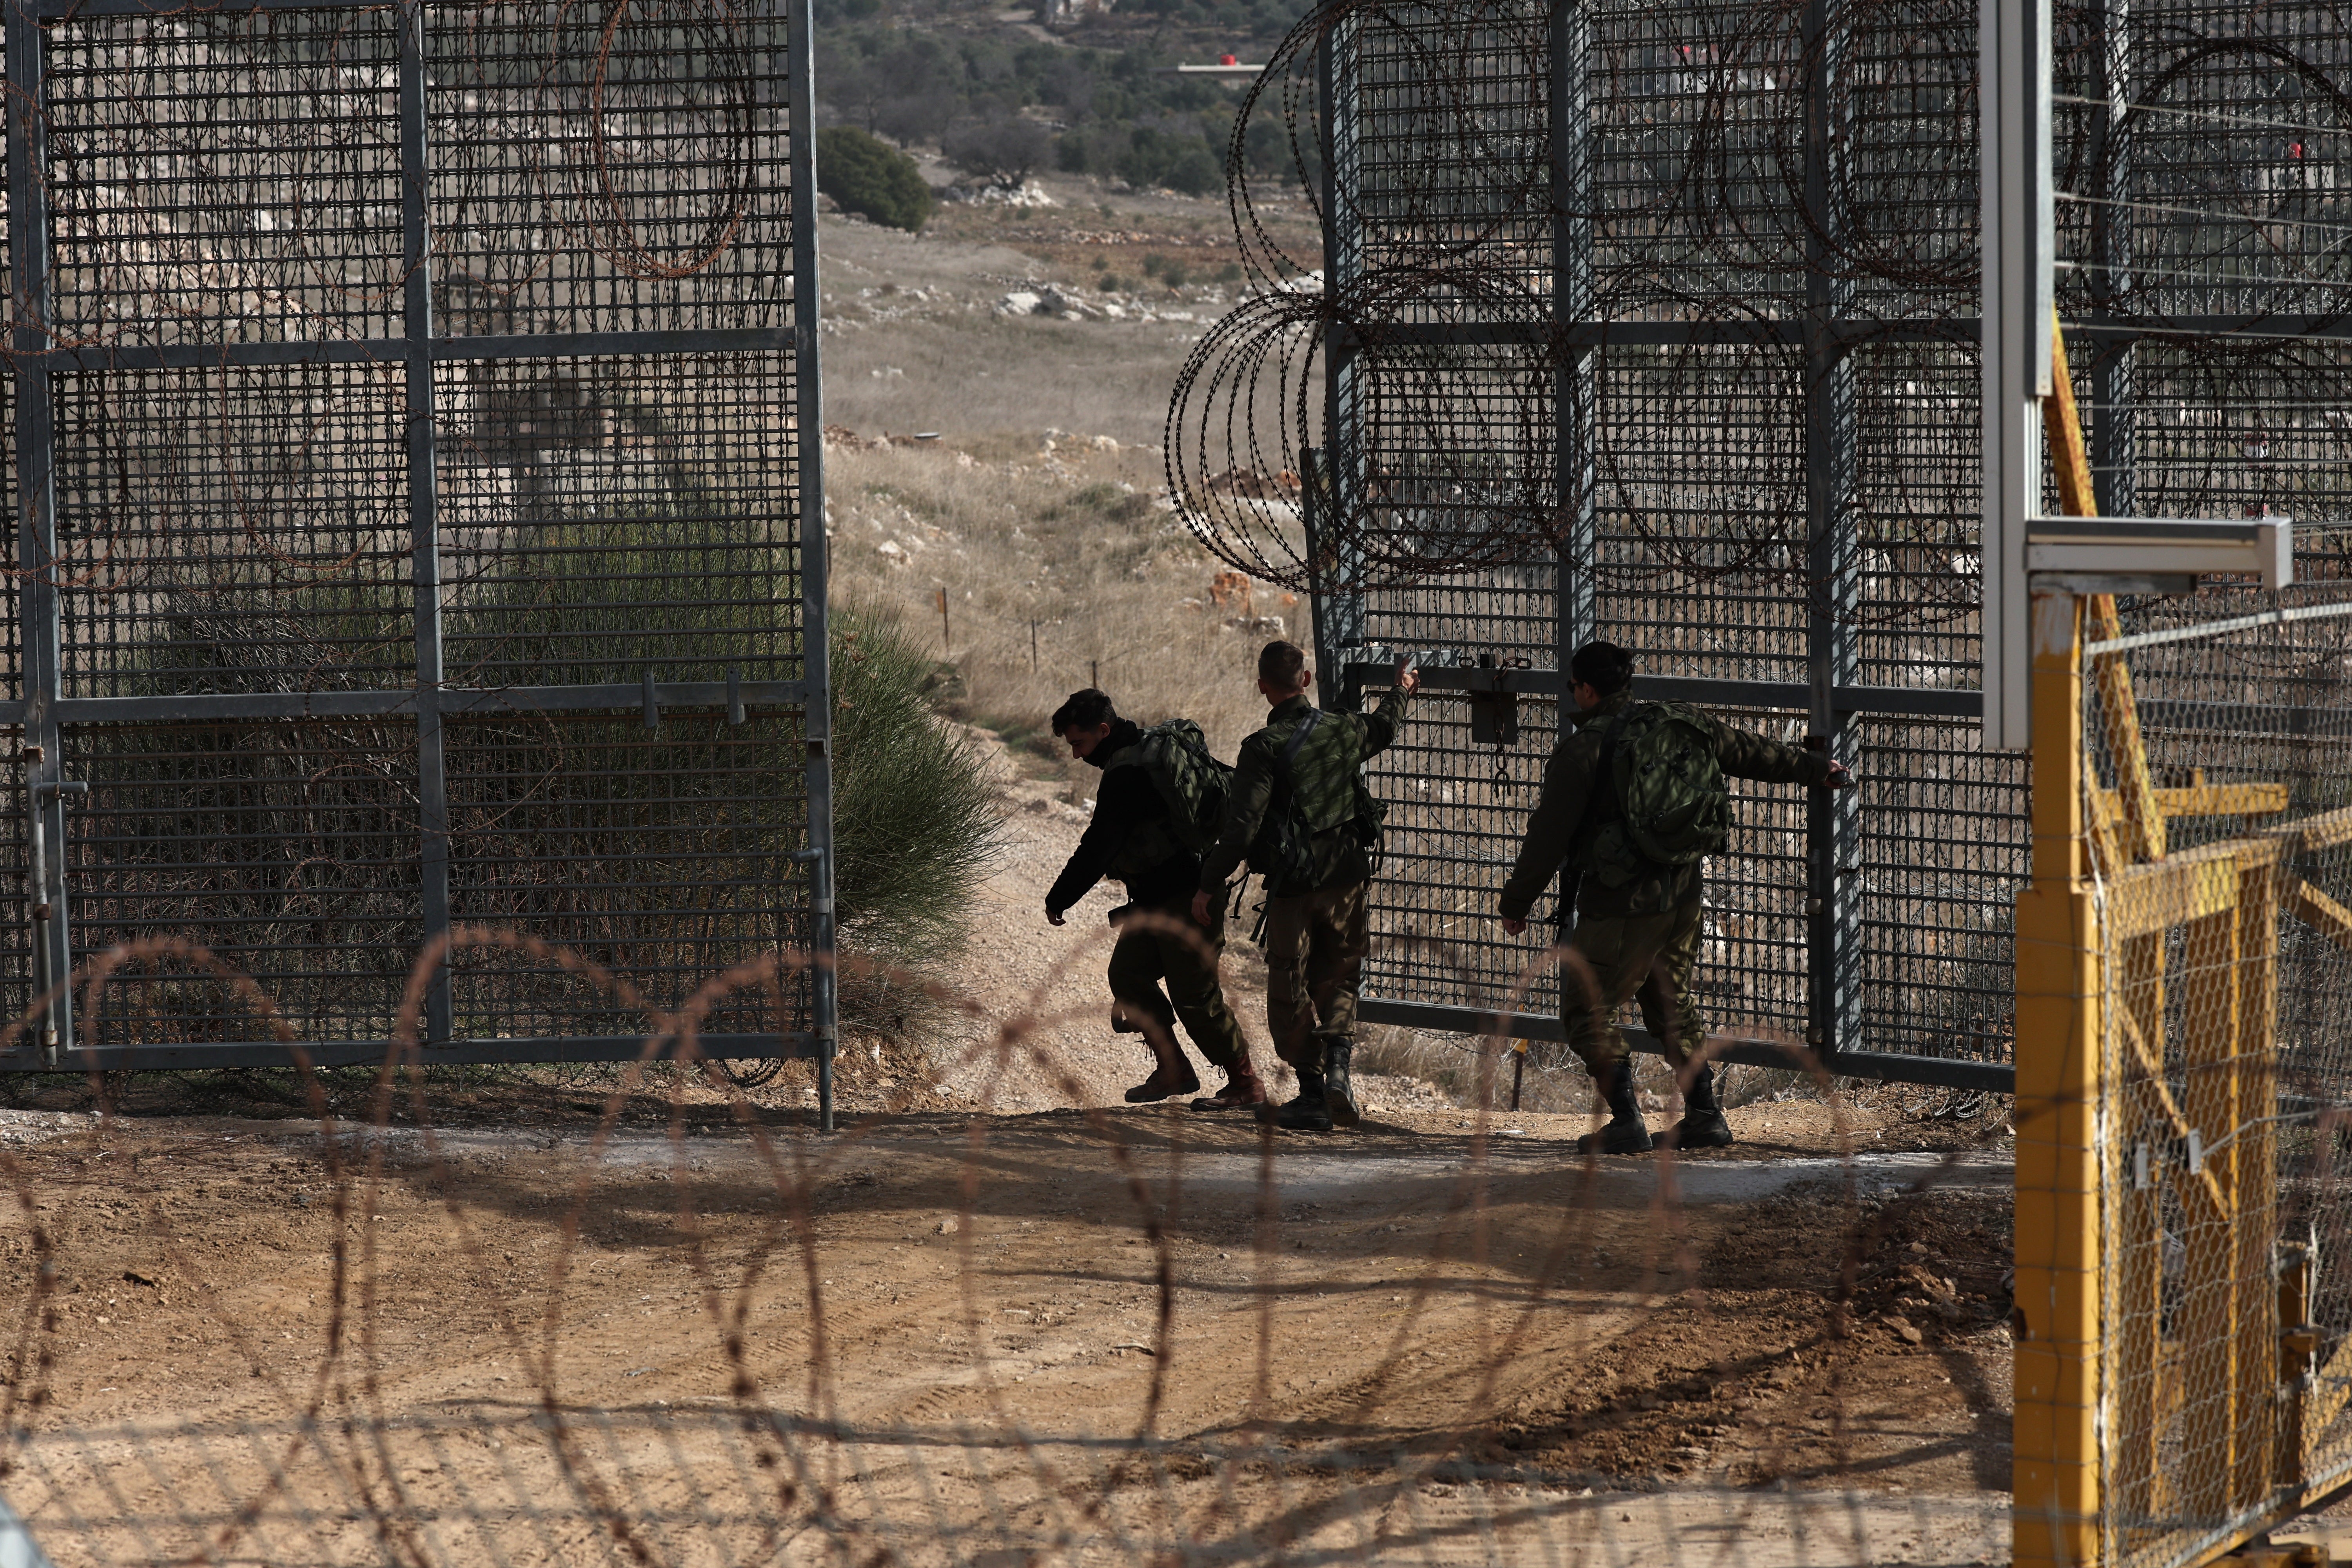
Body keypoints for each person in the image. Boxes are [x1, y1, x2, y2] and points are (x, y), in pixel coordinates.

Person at [1498, 641, 1851, 1155]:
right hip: (1683, 895)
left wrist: (1516, 905)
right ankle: (1706, 1116)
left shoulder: (1582, 753)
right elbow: (1750, 752)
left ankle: (1625, 1121)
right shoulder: (1680, 723)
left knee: (1585, 1010)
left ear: (1589, 689)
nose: (1572, 693)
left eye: (1573, 686)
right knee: (1670, 1002)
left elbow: (1546, 839)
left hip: (1623, 907)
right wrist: (1815, 767)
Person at [1191, 642, 1417, 1133]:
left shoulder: (1261, 748)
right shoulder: (1342, 728)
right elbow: (1384, 726)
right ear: (1308, 680)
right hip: (1347, 877)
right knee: (1338, 973)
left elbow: (1243, 827)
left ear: (1262, 687)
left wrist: (1209, 884)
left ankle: (1313, 1092)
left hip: (1294, 883)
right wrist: (1401, 689)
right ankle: (1339, 1070)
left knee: (1288, 985)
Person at [1045, 689, 1264, 1109]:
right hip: (1154, 899)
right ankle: (1173, 1069)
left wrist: (1061, 897)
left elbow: (1099, 847)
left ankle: (1246, 1083)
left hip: (1190, 896)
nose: (1076, 755)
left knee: (1195, 995)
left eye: (1079, 744)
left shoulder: (1128, 773)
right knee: (1128, 974)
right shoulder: (1136, 756)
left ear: (1104, 731)